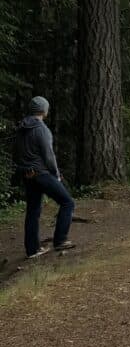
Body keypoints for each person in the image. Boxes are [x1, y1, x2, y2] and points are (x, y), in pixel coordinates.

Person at [12, 96, 75, 258]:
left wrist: (23, 169)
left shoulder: (21, 128)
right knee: (67, 202)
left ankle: (32, 250)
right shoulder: (41, 129)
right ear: (44, 110)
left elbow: (16, 153)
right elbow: (48, 155)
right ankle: (60, 240)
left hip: (27, 174)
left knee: (33, 210)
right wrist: (56, 173)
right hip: (41, 173)